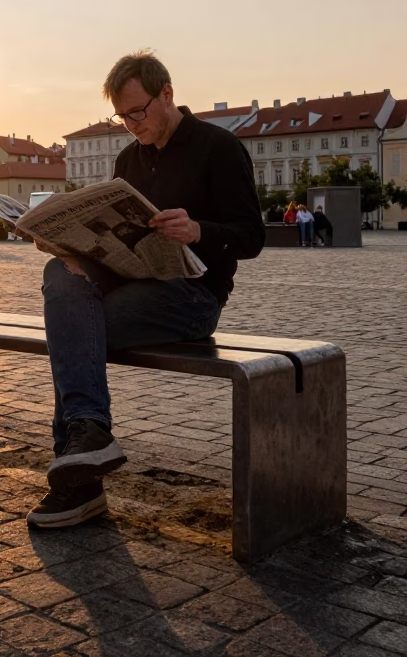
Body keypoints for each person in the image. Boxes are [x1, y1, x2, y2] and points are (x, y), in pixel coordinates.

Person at [27, 50, 264, 529]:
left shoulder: (218, 147)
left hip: (193, 297)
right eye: (123, 117)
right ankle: (88, 440)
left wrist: (198, 229)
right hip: (133, 284)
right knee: (61, 275)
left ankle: (81, 481)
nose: (132, 124)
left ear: (167, 95)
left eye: (138, 112)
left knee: (74, 332)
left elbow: (252, 237)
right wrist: (66, 243)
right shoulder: (128, 158)